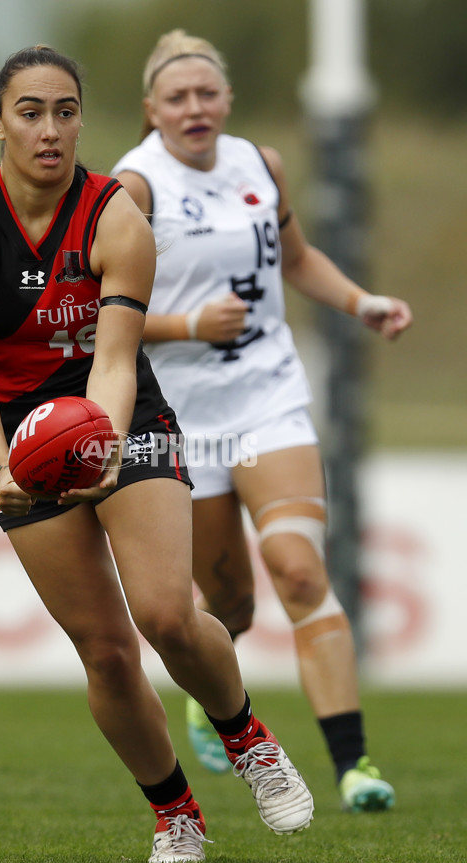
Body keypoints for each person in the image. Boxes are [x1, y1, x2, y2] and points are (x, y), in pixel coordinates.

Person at [0, 45, 314, 863]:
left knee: (167, 611)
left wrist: (101, 437)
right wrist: (3, 466)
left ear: (82, 120)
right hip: (22, 433)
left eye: (65, 111)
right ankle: (175, 813)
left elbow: (118, 357)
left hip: (120, 412)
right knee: (103, 647)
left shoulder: (117, 216)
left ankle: (247, 738)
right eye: (30, 112)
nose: (50, 130)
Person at [112, 29, 413, 813]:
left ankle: (354, 765)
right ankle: (213, 689)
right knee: (231, 604)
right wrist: (186, 327)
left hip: (266, 396)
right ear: (152, 110)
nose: (195, 108)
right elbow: (99, 317)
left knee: (303, 570)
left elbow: (296, 255)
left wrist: (363, 303)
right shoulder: (134, 188)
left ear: (227, 100)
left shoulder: (261, 163)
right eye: (177, 97)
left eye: (207, 93)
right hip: (182, 418)